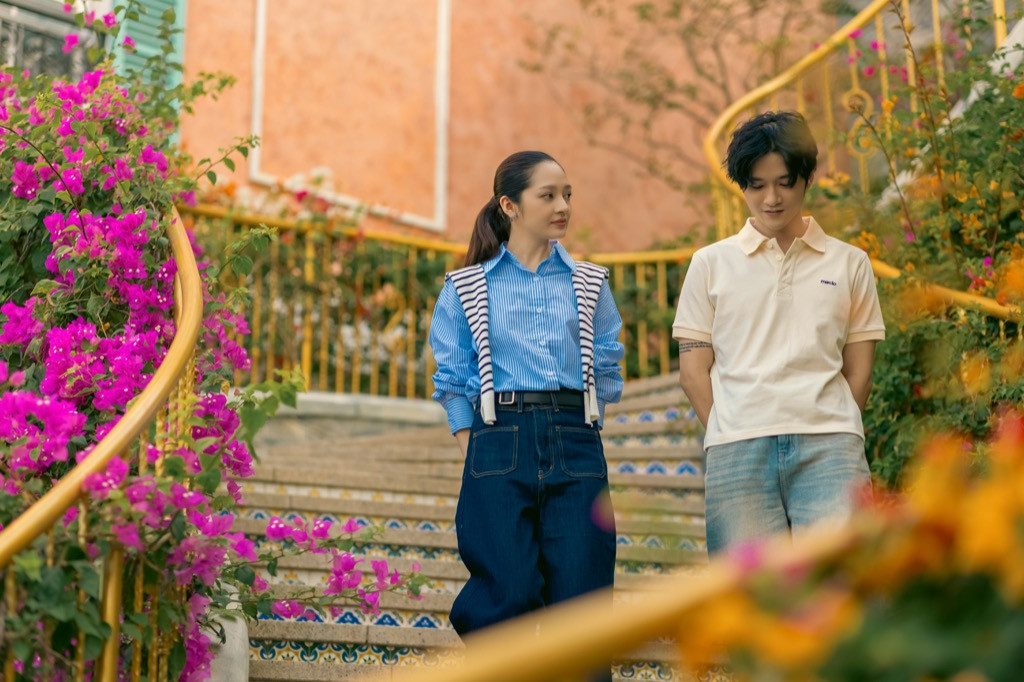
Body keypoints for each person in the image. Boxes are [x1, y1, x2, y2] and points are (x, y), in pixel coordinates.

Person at [428, 151, 624, 668]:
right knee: (505, 594)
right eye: (548, 195)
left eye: (567, 195)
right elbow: (452, 378)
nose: (563, 206)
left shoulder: (591, 282)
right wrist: (474, 445)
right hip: (498, 438)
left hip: (575, 439)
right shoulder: (467, 287)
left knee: (583, 599)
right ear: (509, 205)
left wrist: (586, 419)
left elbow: (607, 362)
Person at [673, 111, 885, 554]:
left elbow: (860, 371)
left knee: (841, 580)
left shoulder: (850, 263)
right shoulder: (709, 264)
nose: (771, 198)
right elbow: (693, 372)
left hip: (830, 447)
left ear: (807, 179)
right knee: (749, 590)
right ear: (742, 186)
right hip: (737, 450)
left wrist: (832, 422)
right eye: (757, 185)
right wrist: (729, 428)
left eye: (785, 183)